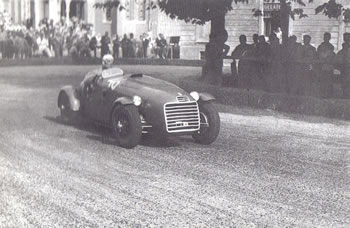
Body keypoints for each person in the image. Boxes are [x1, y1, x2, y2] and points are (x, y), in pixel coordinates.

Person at [317, 32, 335, 98]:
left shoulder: (331, 47)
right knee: (322, 81)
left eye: (327, 37)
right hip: (322, 67)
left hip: (329, 67)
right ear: (323, 38)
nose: (326, 39)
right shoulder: (320, 46)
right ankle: (322, 94)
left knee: (329, 81)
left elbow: (331, 56)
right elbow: (319, 55)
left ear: (329, 38)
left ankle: (329, 95)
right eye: (325, 37)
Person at [335, 33, 350, 98]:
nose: (346, 39)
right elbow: (338, 58)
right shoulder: (342, 50)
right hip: (344, 67)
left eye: (348, 37)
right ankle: (345, 94)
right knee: (344, 81)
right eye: (345, 38)